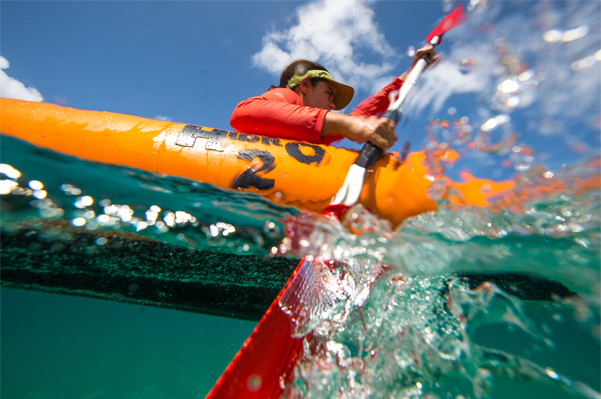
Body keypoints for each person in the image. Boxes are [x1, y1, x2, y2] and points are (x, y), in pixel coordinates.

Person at [230, 45, 439, 151]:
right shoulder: (288, 96)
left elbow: (361, 114)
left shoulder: (314, 132)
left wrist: (410, 74)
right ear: (304, 86)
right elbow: (243, 113)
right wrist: (345, 122)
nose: (332, 105)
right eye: (329, 93)